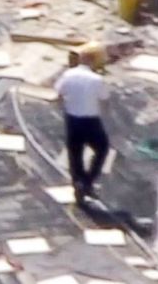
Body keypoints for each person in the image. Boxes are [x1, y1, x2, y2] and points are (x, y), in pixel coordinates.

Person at [54, 43, 110, 206]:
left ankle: (77, 182)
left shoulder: (68, 74)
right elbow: (104, 98)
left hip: (72, 118)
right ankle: (88, 181)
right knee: (102, 149)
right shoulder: (97, 79)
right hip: (91, 120)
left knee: (75, 153)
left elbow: (58, 92)